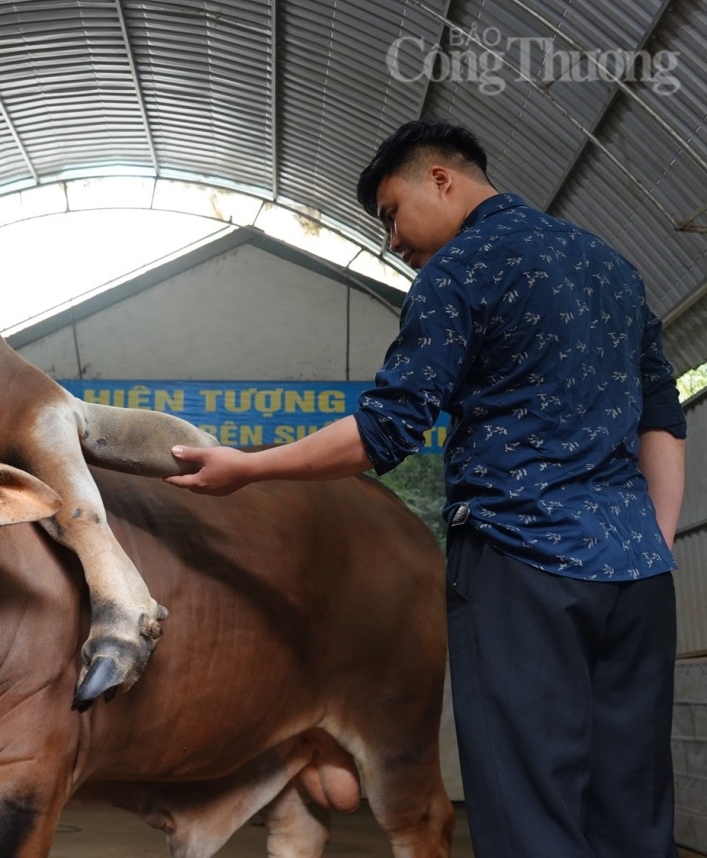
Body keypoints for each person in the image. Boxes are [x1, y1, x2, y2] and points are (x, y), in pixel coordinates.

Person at [165, 118, 687, 857]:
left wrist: (248, 468)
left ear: (440, 178)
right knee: (632, 805)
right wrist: (655, 540)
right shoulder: (614, 269)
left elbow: (386, 431)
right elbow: (663, 419)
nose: (392, 240)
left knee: (529, 804)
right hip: (636, 580)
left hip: (521, 562)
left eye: (390, 214)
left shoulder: (463, 268)